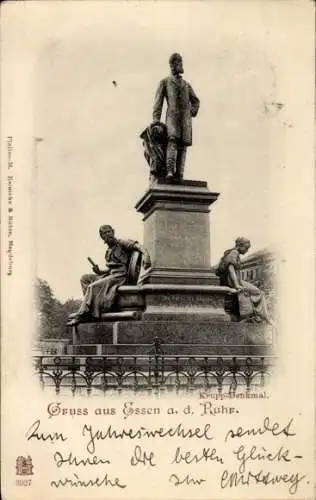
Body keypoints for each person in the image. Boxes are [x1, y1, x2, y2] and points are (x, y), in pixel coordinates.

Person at [67, 225, 151, 326]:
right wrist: (99, 272)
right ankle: (91, 310)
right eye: (104, 233)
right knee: (85, 279)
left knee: (92, 286)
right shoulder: (108, 251)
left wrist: (146, 256)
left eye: (109, 232)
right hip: (110, 275)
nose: (108, 235)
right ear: (102, 237)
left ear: (113, 232)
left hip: (120, 277)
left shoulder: (121, 242)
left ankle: (82, 314)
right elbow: (110, 270)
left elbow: (138, 246)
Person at [152, 53, 200, 181]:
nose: (181, 65)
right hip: (172, 117)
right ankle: (169, 171)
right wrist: (156, 120)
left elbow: (195, 101)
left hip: (185, 119)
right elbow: (158, 103)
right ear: (173, 65)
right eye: (179, 63)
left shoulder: (186, 85)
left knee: (183, 146)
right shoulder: (165, 82)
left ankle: (180, 173)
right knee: (172, 141)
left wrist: (192, 111)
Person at [216, 237, 274, 325]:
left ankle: (259, 317)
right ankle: (263, 318)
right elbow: (231, 269)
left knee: (256, 291)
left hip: (232, 281)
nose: (247, 251)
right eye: (246, 248)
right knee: (259, 293)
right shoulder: (234, 253)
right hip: (232, 282)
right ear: (239, 246)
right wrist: (236, 285)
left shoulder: (232, 253)